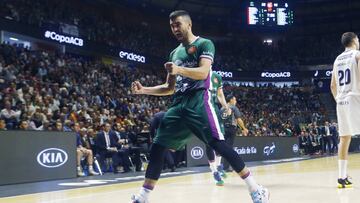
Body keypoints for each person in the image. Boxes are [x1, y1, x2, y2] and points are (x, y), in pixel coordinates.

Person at [130, 10, 269, 203]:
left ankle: (256, 189)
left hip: (199, 103)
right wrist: (144, 90)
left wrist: (179, 69)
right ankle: (143, 197)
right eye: (171, 26)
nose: (175, 29)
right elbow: (169, 88)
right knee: (157, 147)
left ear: (189, 24)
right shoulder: (174, 53)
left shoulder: (204, 44)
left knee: (218, 144)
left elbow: (204, 72)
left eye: (178, 24)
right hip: (178, 105)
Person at [330, 32, 360, 188]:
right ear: (354, 40)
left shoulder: (337, 60)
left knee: (344, 138)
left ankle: (341, 177)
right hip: (355, 97)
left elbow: (332, 86)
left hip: (341, 101)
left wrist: (339, 100)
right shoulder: (357, 55)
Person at [221, 94, 249, 171]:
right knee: (229, 148)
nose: (236, 101)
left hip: (223, 129)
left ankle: (221, 166)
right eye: (235, 99)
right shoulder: (233, 107)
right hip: (231, 129)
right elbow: (238, 119)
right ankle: (226, 167)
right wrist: (243, 128)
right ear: (231, 100)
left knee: (223, 148)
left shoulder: (222, 108)